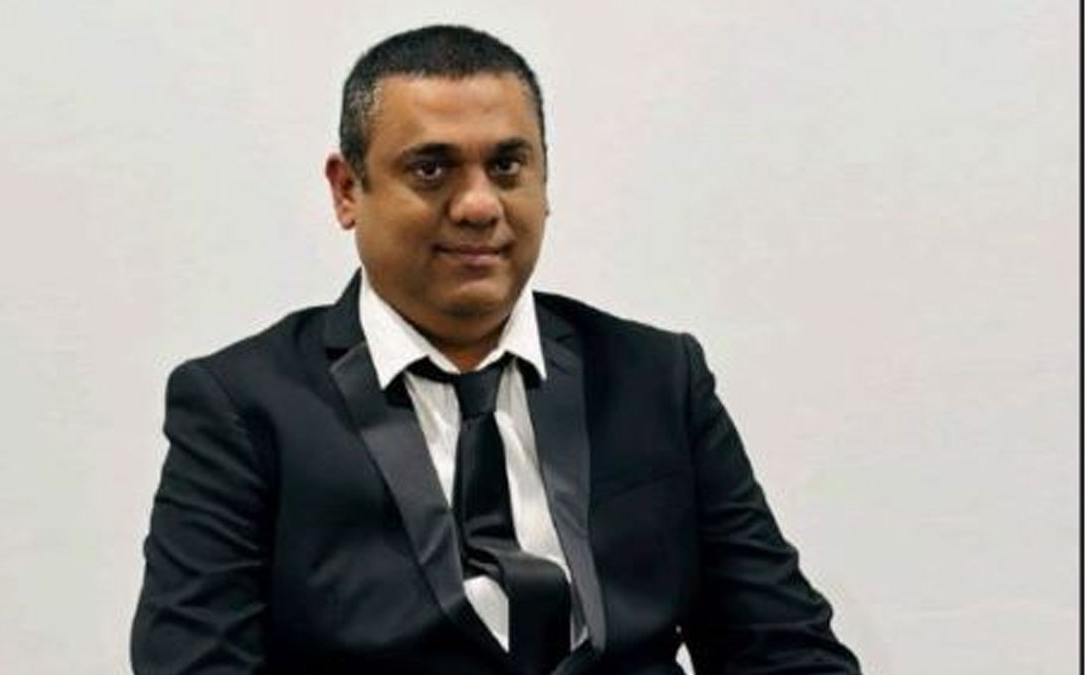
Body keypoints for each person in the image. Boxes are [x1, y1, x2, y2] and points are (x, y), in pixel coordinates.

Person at [130, 24, 861, 675]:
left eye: (508, 167)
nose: (480, 204)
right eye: (431, 169)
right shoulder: (244, 405)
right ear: (347, 189)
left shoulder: (655, 377)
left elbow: (783, 644)